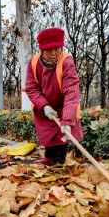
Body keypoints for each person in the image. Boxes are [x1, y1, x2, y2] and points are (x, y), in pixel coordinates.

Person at [25, 27, 84, 165]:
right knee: (47, 133)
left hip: (64, 106)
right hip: (44, 106)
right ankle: (49, 157)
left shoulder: (67, 62)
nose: (53, 53)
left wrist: (68, 121)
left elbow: (71, 92)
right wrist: (43, 105)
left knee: (61, 134)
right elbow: (31, 87)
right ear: (42, 50)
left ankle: (58, 163)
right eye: (49, 50)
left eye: (57, 49)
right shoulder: (33, 63)